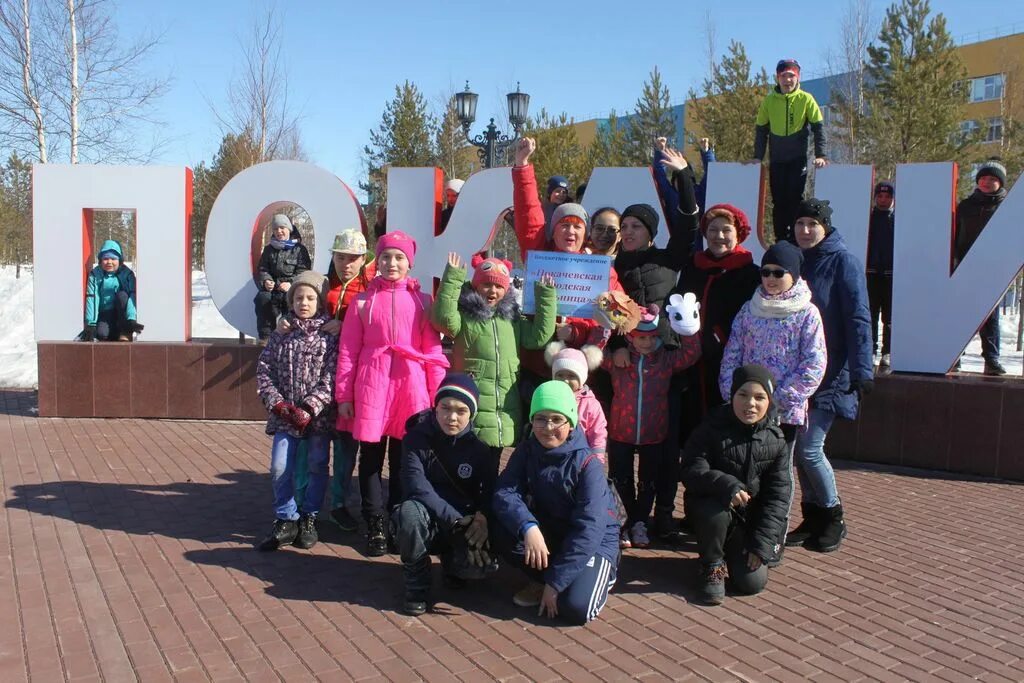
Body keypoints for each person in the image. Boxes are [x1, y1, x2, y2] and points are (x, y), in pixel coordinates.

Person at [336, 230, 449, 557]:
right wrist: (344, 395)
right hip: (372, 384)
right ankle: (375, 522)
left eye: (399, 257)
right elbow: (348, 351)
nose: (392, 263)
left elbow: (433, 350)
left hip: (410, 388)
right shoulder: (362, 302)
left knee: (404, 458)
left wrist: (435, 396)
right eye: (386, 257)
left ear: (409, 263)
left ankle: (400, 518)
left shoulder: (423, 301)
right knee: (370, 458)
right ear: (377, 261)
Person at [718, 241, 827, 553]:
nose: (771, 278)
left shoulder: (807, 313)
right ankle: (740, 533)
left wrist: (778, 401)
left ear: (793, 275)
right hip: (745, 409)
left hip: (782, 413)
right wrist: (732, 394)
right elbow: (732, 355)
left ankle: (771, 538)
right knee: (742, 471)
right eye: (766, 272)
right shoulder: (750, 308)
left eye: (779, 272)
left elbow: (814, 364)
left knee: (777, 478)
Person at [492, 381, 621, 625]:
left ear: (570, 422)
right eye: (540, 418)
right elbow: (504, 492)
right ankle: (543, 579)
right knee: (501, 529)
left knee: (575, 609)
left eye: (556, 419)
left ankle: (602, 575)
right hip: (552, 530)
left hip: (594, 541)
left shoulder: (587, 464)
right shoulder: (527, 450)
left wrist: (556, 583)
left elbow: (589, 528)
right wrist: (528, 527)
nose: (548, 427)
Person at [666, 203, 761, 532]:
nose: (719, 236)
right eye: (713, 230)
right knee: (694, 443)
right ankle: (695, 512)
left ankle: (731, 516)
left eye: (726, 230)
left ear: (738, 234)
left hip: (729, 370)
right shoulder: (693, 267)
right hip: (692, 369)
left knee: (728, 444)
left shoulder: (750, 272)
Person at [789, 198, 872, 553]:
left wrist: (862, 368)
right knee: (798, 452)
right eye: (800, 224)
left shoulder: (844, 262)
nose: (806, 231)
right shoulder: (793, 261)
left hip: (834, 371)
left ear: (826, 226)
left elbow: (858, 317)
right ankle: (813, 516)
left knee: (809, 448)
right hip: (798, 371)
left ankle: (834, 516)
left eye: (813, 224)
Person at [681, 365, 792, 606]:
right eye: (743, 395)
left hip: (747, 521)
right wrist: (727, 485)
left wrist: (761, 545)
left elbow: (778, 498)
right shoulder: (711, 427)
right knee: (714, 514)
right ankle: (712, 566)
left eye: (759, 397)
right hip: (713, 509)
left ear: (769, 401)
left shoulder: (776, 440)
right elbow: (691, 469)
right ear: (732, 395)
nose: (750, 403)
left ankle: (735, 550)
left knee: (752, 584)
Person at [289, 230, 377, 532]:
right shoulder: (323, 285)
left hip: (351, 382)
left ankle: (339, 504)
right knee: (308, 448)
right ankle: (301, 506)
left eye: (352, 258)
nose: (346, 264)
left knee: (345, 449)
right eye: (340, 257)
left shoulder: (372, 290)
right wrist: (284, 320)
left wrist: (350, 325)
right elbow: (299, 306)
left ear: (363, 259)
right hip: (315, 381)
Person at [431, 252, 557, 455]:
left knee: (494, 457)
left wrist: (546, 296)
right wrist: (452, 279)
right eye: (486, 285)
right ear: (475, 286)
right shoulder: (465, 316)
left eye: (499, 286)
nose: (492, 291)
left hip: (505, 402)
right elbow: (443, 320)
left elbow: (539, 337)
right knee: (468, 456)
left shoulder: (512, 318)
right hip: (474, 398)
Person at [395, 373, 498, 616]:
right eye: (445, 408)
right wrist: (455, 520)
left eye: (461, 411)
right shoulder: (415, 440)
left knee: (480, 569)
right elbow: (417, 486)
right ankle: (416, 581)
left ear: (471, 414)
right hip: (432, 519)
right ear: (436, 407)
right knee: (408, 512)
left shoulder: (481, 449)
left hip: (461, 522)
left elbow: (490, 490)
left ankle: (453, 564)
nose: (452, 417)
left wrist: (481, 519)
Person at [602, 306, 702, 548]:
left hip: (653, 432)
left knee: (648, 481)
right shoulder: (619, 360)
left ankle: (639, 523)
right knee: (619, 479)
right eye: (640, 337)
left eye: (651, 337)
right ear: (630, 337)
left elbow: (691, 353)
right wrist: (608, 337)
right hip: (620, 431)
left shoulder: (666, 360)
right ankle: (623, 522)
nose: (646, 343)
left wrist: (687, 324)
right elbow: (592, 354)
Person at [255, 270, 338, 552]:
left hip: (317, 419)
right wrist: (278, 404)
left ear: (320, 301)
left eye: (310, 297)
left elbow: (332, 378)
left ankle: (309, 516)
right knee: (280, 466)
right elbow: (264, 371)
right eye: (299, 297)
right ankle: (285, 517)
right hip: (285, 418)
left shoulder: (329, 336)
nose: (304, 302)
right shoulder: (282, 334)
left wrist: (310, 408)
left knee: (316, 465)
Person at [753, 58, 827, 243]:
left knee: (795, 198)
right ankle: (780, 239)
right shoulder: (769, 101)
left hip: (798, 158)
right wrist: (757, 157)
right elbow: (761, 130)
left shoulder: (806, 98)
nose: (788, 80)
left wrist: (821, 155)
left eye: (791, 76)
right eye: (784, 76)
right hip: (777, 159)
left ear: (798, 77)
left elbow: (819, 128)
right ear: (777, 78)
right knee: (779, 201)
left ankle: (795, 238)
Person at [954, 159, 1009, 376]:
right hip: (965, 266)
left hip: (992, 269)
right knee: (960, 313)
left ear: (1000, 183)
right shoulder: (965, 206)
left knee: (990, 316)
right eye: (983, 178)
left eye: (992, 179)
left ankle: (991, 358)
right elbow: (954, 236)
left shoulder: (1007, 208)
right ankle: (954, 356)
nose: (987, 182)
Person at [254, 214, 312, 340]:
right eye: (275, 229)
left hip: (292, 289)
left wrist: (291, 283)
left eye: (282, 228)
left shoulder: (300, 250)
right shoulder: (268, 249)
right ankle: (266, 337)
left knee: (291, 302)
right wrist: (266, 280)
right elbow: (263, 269)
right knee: (262, 298)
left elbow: (304, 271)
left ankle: (290, 337)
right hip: (273, 289)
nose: (279, 231)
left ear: (289, 229)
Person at [546, 345, 607, 460]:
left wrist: (596, 460)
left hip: (580, 459)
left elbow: (597, 434)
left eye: (571, 376)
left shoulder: (591, 405)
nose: (565, 380)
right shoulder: (548, 398)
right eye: (560, 375)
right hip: (551, 456)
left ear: (582, 378)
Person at [81, 239, 144, 342]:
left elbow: (132, 295)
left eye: (113, 258)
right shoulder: (95, 275)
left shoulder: (127, 274)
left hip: (122, 312)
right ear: (100, 260)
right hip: (105, 312)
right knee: (102, 334)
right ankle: (113, 332)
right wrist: (90, 324)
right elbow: (92, 297)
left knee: (123, 296)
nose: (109, 262)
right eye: (105, 258)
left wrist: (131, 318)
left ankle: (125, 332)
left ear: (119, 260)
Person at [866, 181, 895, 373]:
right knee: (871, 315)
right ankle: (871, 350)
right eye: (880, 196)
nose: (883, 200)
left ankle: (888, 351)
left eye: (887, 197)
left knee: (890, 317)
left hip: (891, 274)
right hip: (871, 272)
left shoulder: (897, 218)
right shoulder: (869, 217)